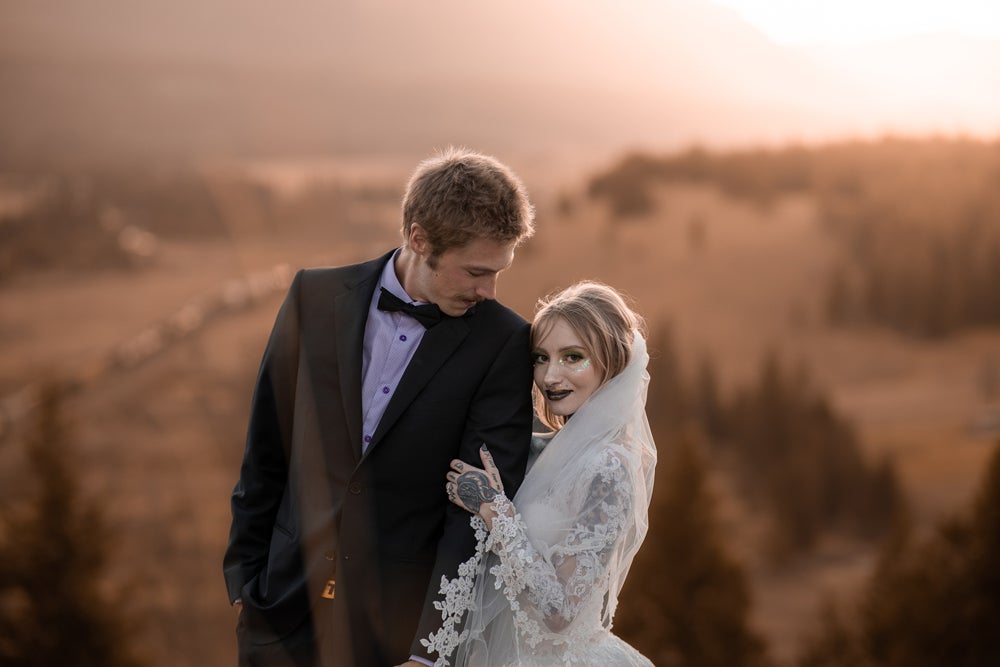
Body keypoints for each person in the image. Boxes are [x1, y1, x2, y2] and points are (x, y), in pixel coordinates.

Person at [223, 147, 537, 667]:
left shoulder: (503, 343)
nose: (490, 290)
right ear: (419, 239)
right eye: (476, 272)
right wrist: (245, 579)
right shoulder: (313, 297)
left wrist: (429, 648)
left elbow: (476, 514)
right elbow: (266, 446)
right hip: (278, 613)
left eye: (498, 272)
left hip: (394, 639)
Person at [424, 281, 657, 666]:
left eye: (572, 357)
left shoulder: (608, 466)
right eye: (540, 358)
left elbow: (560, 612)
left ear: (612, 362)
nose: (550, 377)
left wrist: (494, 510)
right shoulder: (553, 450)